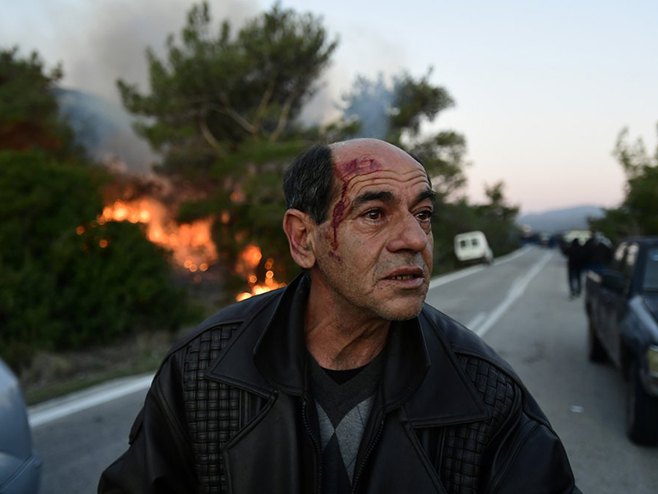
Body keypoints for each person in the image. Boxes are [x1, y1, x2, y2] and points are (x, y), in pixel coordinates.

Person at [99, 138, 581, 493]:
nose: (414, 239)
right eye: (374, 214)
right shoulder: (205, 370)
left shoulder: (483, 392)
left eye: (424, 214)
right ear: (303, 239)